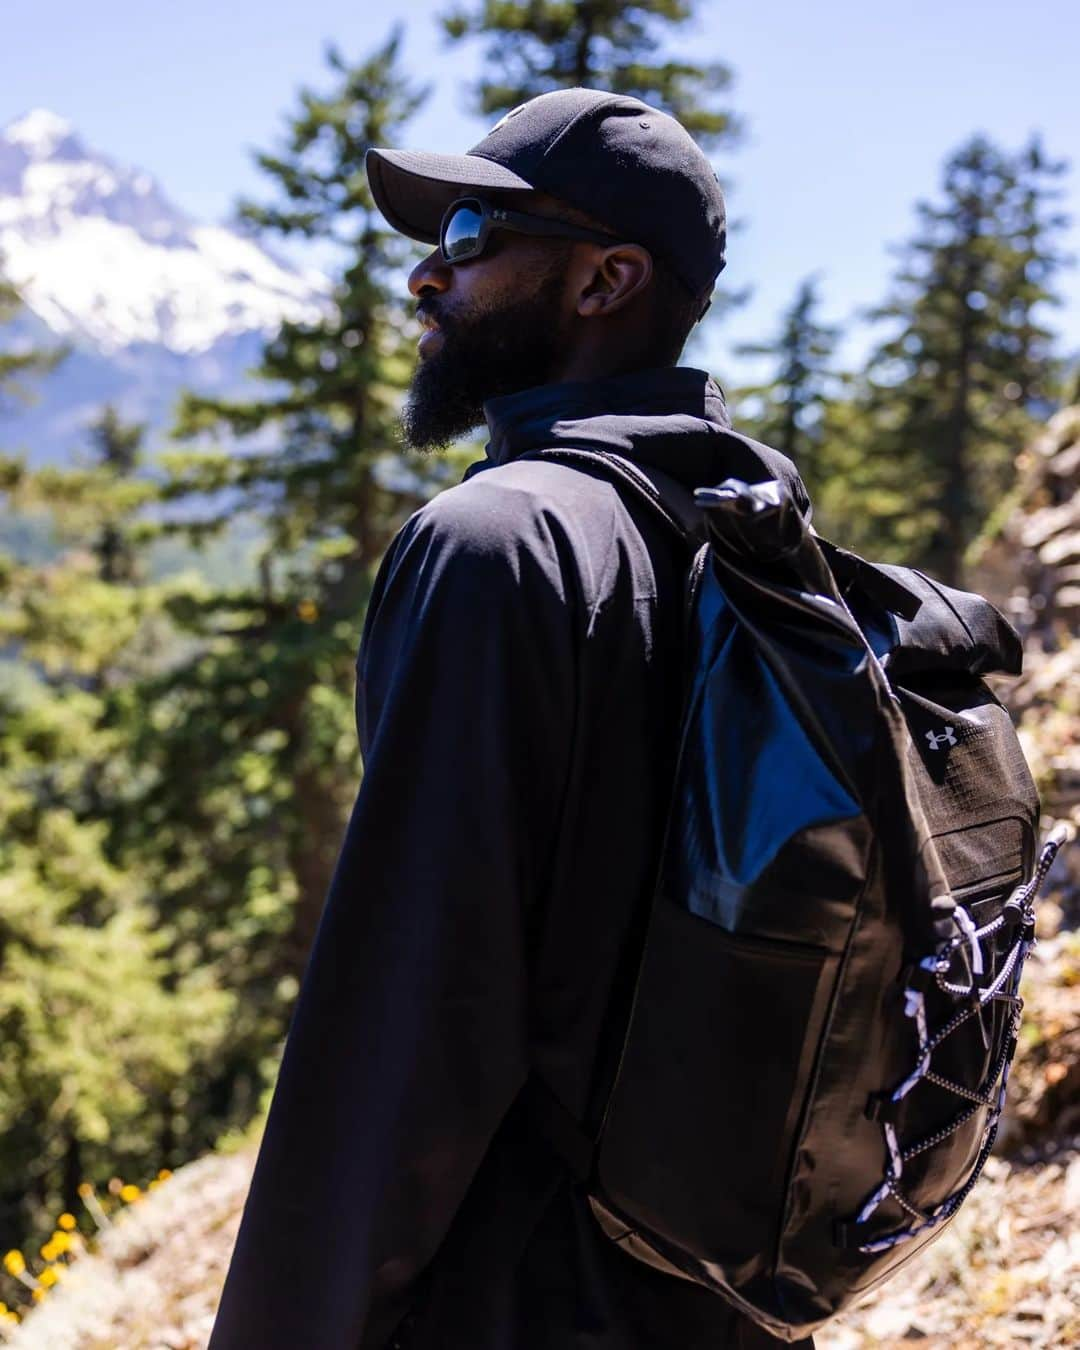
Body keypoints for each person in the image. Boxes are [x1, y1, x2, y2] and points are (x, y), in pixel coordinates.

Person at [209, 87, 814, 1350]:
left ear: (606, 281)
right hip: (718, 1300)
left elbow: (409, 1024)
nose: (427, 278)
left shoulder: (499, 546)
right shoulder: (758, 538)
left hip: (518, 1305)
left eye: (475, 232)